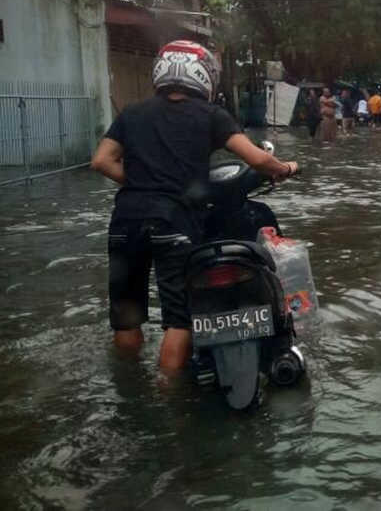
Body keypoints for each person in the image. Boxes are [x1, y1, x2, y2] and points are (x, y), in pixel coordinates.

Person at [90, 40, 299, 376]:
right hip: (173, 222)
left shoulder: (131, 114)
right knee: (179, 320)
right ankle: (168, 398)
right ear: (204, 76)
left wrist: (142, 180)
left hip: (125, 221)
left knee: (126, 319)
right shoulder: (211, 115)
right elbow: (258, 159)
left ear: (159, 71)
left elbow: (100, 161)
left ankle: (131, 390)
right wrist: (286, 168)